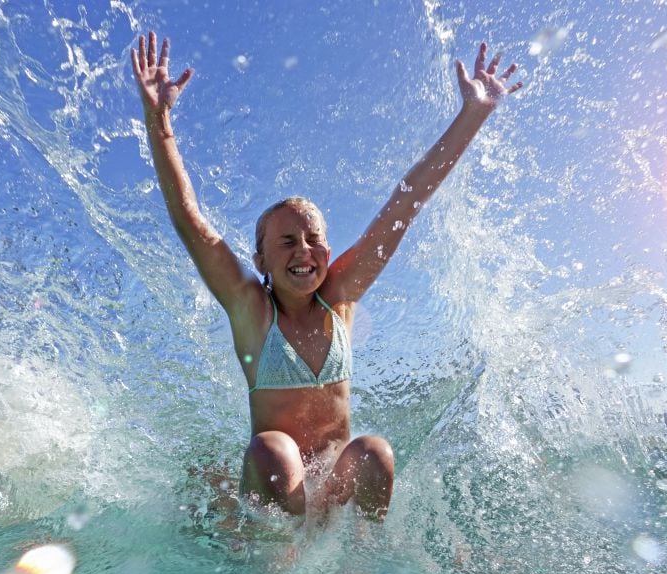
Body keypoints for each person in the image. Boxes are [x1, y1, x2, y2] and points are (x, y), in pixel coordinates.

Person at [131, 32, 522, 521]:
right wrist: (159, 121)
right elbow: (190, 220)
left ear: (328, 252)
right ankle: (273, 564)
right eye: (287, 242)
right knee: (273, 450)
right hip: (274, 494)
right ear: (261, 261)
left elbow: (405, 203)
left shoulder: (340, 296)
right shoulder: (250, 306)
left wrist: (473, 114)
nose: (304, 252)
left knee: (376, 452)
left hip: (329, 492)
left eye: (313, 240)